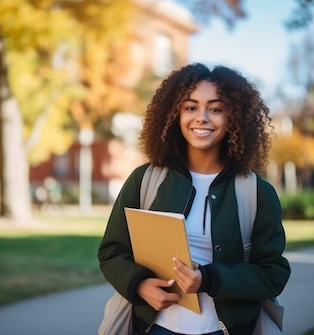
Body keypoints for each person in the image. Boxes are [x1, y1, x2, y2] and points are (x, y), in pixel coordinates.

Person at [98, 63, 291, 335]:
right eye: (190, 107)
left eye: (215, 108)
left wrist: (208, 279)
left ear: (234, 118)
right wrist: (140, 285)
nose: (202, 117)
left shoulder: (257, 193)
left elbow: (273, 274)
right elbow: (111, 252)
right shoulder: (145, 180)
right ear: (174, 114)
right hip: (155, 328)